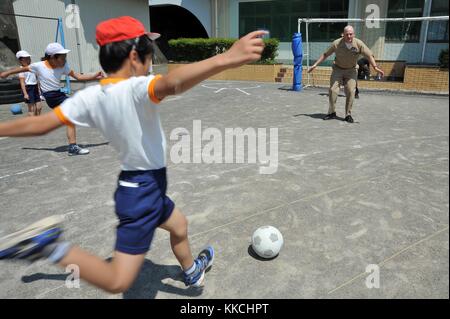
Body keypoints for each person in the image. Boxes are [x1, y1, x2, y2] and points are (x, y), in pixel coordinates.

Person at [0, 16, 267, 293]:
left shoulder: (89, 97)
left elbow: (39, 125)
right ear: (134, 56)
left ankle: (190, 272)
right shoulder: (136, 87)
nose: (151, 62)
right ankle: (50, 247)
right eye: (150, 54)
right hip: (141, 194)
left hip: (145, 188)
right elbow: (172, 84)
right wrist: (225, 58)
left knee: (179, 226)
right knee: (118, 281)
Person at [1, 43, 102, 155]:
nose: (64, 60)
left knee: (70, 119)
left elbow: (78, 76)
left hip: (59, 95)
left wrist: (94, 76)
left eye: (65, 57)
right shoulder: (38, 66)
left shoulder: (63, 66)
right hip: (51, 97)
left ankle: (72, 146)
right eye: (62, 57)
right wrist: (7, 73)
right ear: (52, 57)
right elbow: (22, 70)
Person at [308, 25, 384, 123]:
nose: (349, 36)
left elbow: (369, 55)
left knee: (351, 91)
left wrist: (375, 67)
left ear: (354, 34)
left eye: (350, 34)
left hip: (351, 70)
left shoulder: (359, 44)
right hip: (338, 69)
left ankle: (348, 114)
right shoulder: (336, 43)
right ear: (343, 34)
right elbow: (325, 54)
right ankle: (331, 112)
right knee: (332, 90)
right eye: (346, 34)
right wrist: (315, 65)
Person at [15, 50, 42, 116]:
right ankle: (32, 123)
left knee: (39, 107)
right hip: (28, 89)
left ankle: (37, 120)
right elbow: (22, 83)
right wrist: (25, 94)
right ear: (21, 60)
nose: (28, 60)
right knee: (32, 109)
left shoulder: (33, 67)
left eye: (29, 58)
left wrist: (39, 88)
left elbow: (36, 78)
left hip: (35, 87)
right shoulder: (21, 69)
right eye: (26, 58)